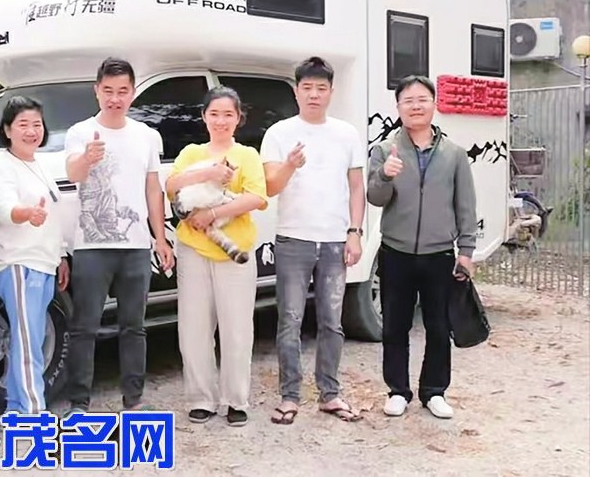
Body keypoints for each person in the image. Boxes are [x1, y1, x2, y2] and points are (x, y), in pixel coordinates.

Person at [63, 57, 175, 414]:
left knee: (134, 327)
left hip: (136, 246)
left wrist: (160, 238)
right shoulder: (80, 132)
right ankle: (79, 403)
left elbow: (153, 189)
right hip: (92, 246)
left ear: (133, 93)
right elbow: (73, 174)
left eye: (122, 91)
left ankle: (134, 399)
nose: (115, 98)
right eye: (108, 91)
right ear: (96, 91)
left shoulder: (145, 135)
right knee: (84, 327)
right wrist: (87, 159)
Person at [261, 56, 366, 425]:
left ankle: (330, 393)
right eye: (307, 87)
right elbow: (270, 187)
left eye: (321, 88)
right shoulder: (279, 133)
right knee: (290, 320)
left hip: (335, 240)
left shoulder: (346, 133)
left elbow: (357, 187)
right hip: (293, 239)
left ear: (331, 92)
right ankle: (289, 396)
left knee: (332, 321)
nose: (314, 94)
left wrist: (355, 232)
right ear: (296, 91)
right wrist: (290, 165)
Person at [367, 75, 477, 420]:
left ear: (434, 103)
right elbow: (375, 198)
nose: (415, 106)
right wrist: (385, 175)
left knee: (439, 327)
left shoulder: (454, 154)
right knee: (394, 326)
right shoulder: (385, 150)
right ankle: (398, 391)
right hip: (396, 252)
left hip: (439, 254)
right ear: (398, 107)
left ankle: (435, 391)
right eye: (408, 101)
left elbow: (465, 206)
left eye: (422, 99)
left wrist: (466, 251)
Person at [165, 86, 267, 426]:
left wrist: (212, 214)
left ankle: (236, 400)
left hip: (234, 246)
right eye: (214, 114)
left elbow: (256, 197)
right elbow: (172, 186)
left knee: (237, 329)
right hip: (193, 249)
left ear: (238, 118)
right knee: (193, 327)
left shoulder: (247, 155)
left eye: (228, 114)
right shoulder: (191, 152)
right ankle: (201, 399)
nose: (220, 121)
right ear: (204, 117)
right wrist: (208, 173)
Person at [0, 96, 71, 415]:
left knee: (30, 337)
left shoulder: (39, 165)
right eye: (23, 124)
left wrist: (60, 256)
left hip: (44, 263)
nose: (32, 131)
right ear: (7, 130)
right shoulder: (1, 168)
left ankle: (17, 409)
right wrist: (25, 213)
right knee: (28, 340)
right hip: (19, 263)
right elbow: (2, 208)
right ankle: (33, 412)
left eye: (37, 124)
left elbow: (53, 214)